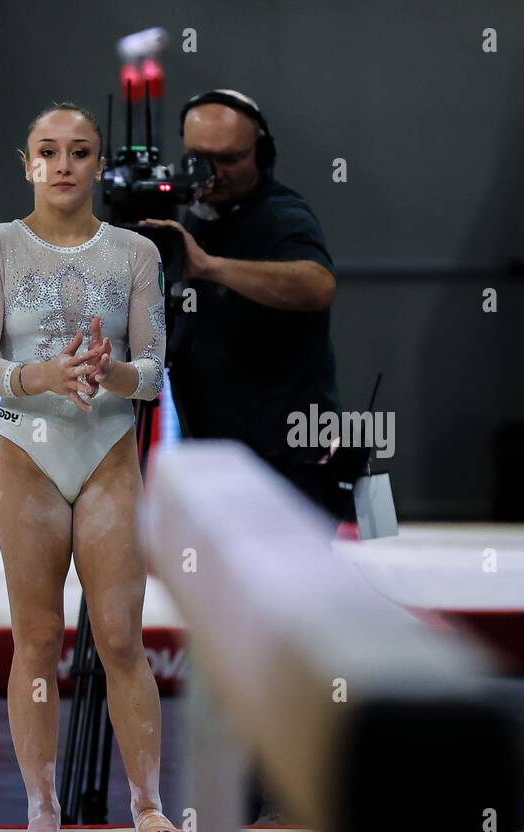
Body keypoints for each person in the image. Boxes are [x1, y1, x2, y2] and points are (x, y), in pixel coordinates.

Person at [0, 101, 182, 832]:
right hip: (29, 454)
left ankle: (148, 804)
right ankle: (42, 806)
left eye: (79, 152)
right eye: (47, 151)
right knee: (36, 637)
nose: (62, 165)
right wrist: (44, 375)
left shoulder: (133, 254)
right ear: (27, 164)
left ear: (95, 165)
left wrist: (110, 370)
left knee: (121, 637)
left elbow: (153, 374)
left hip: (107, 454)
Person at [140, 89, 344, 516]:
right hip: (216, 449)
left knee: (290, 580)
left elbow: (318, 285)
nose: (214, 174)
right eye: (200, 159)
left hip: (286, 456)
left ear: (262, 154)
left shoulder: (282, 214)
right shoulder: (198, 211)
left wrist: (211, 267)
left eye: (230, 159)